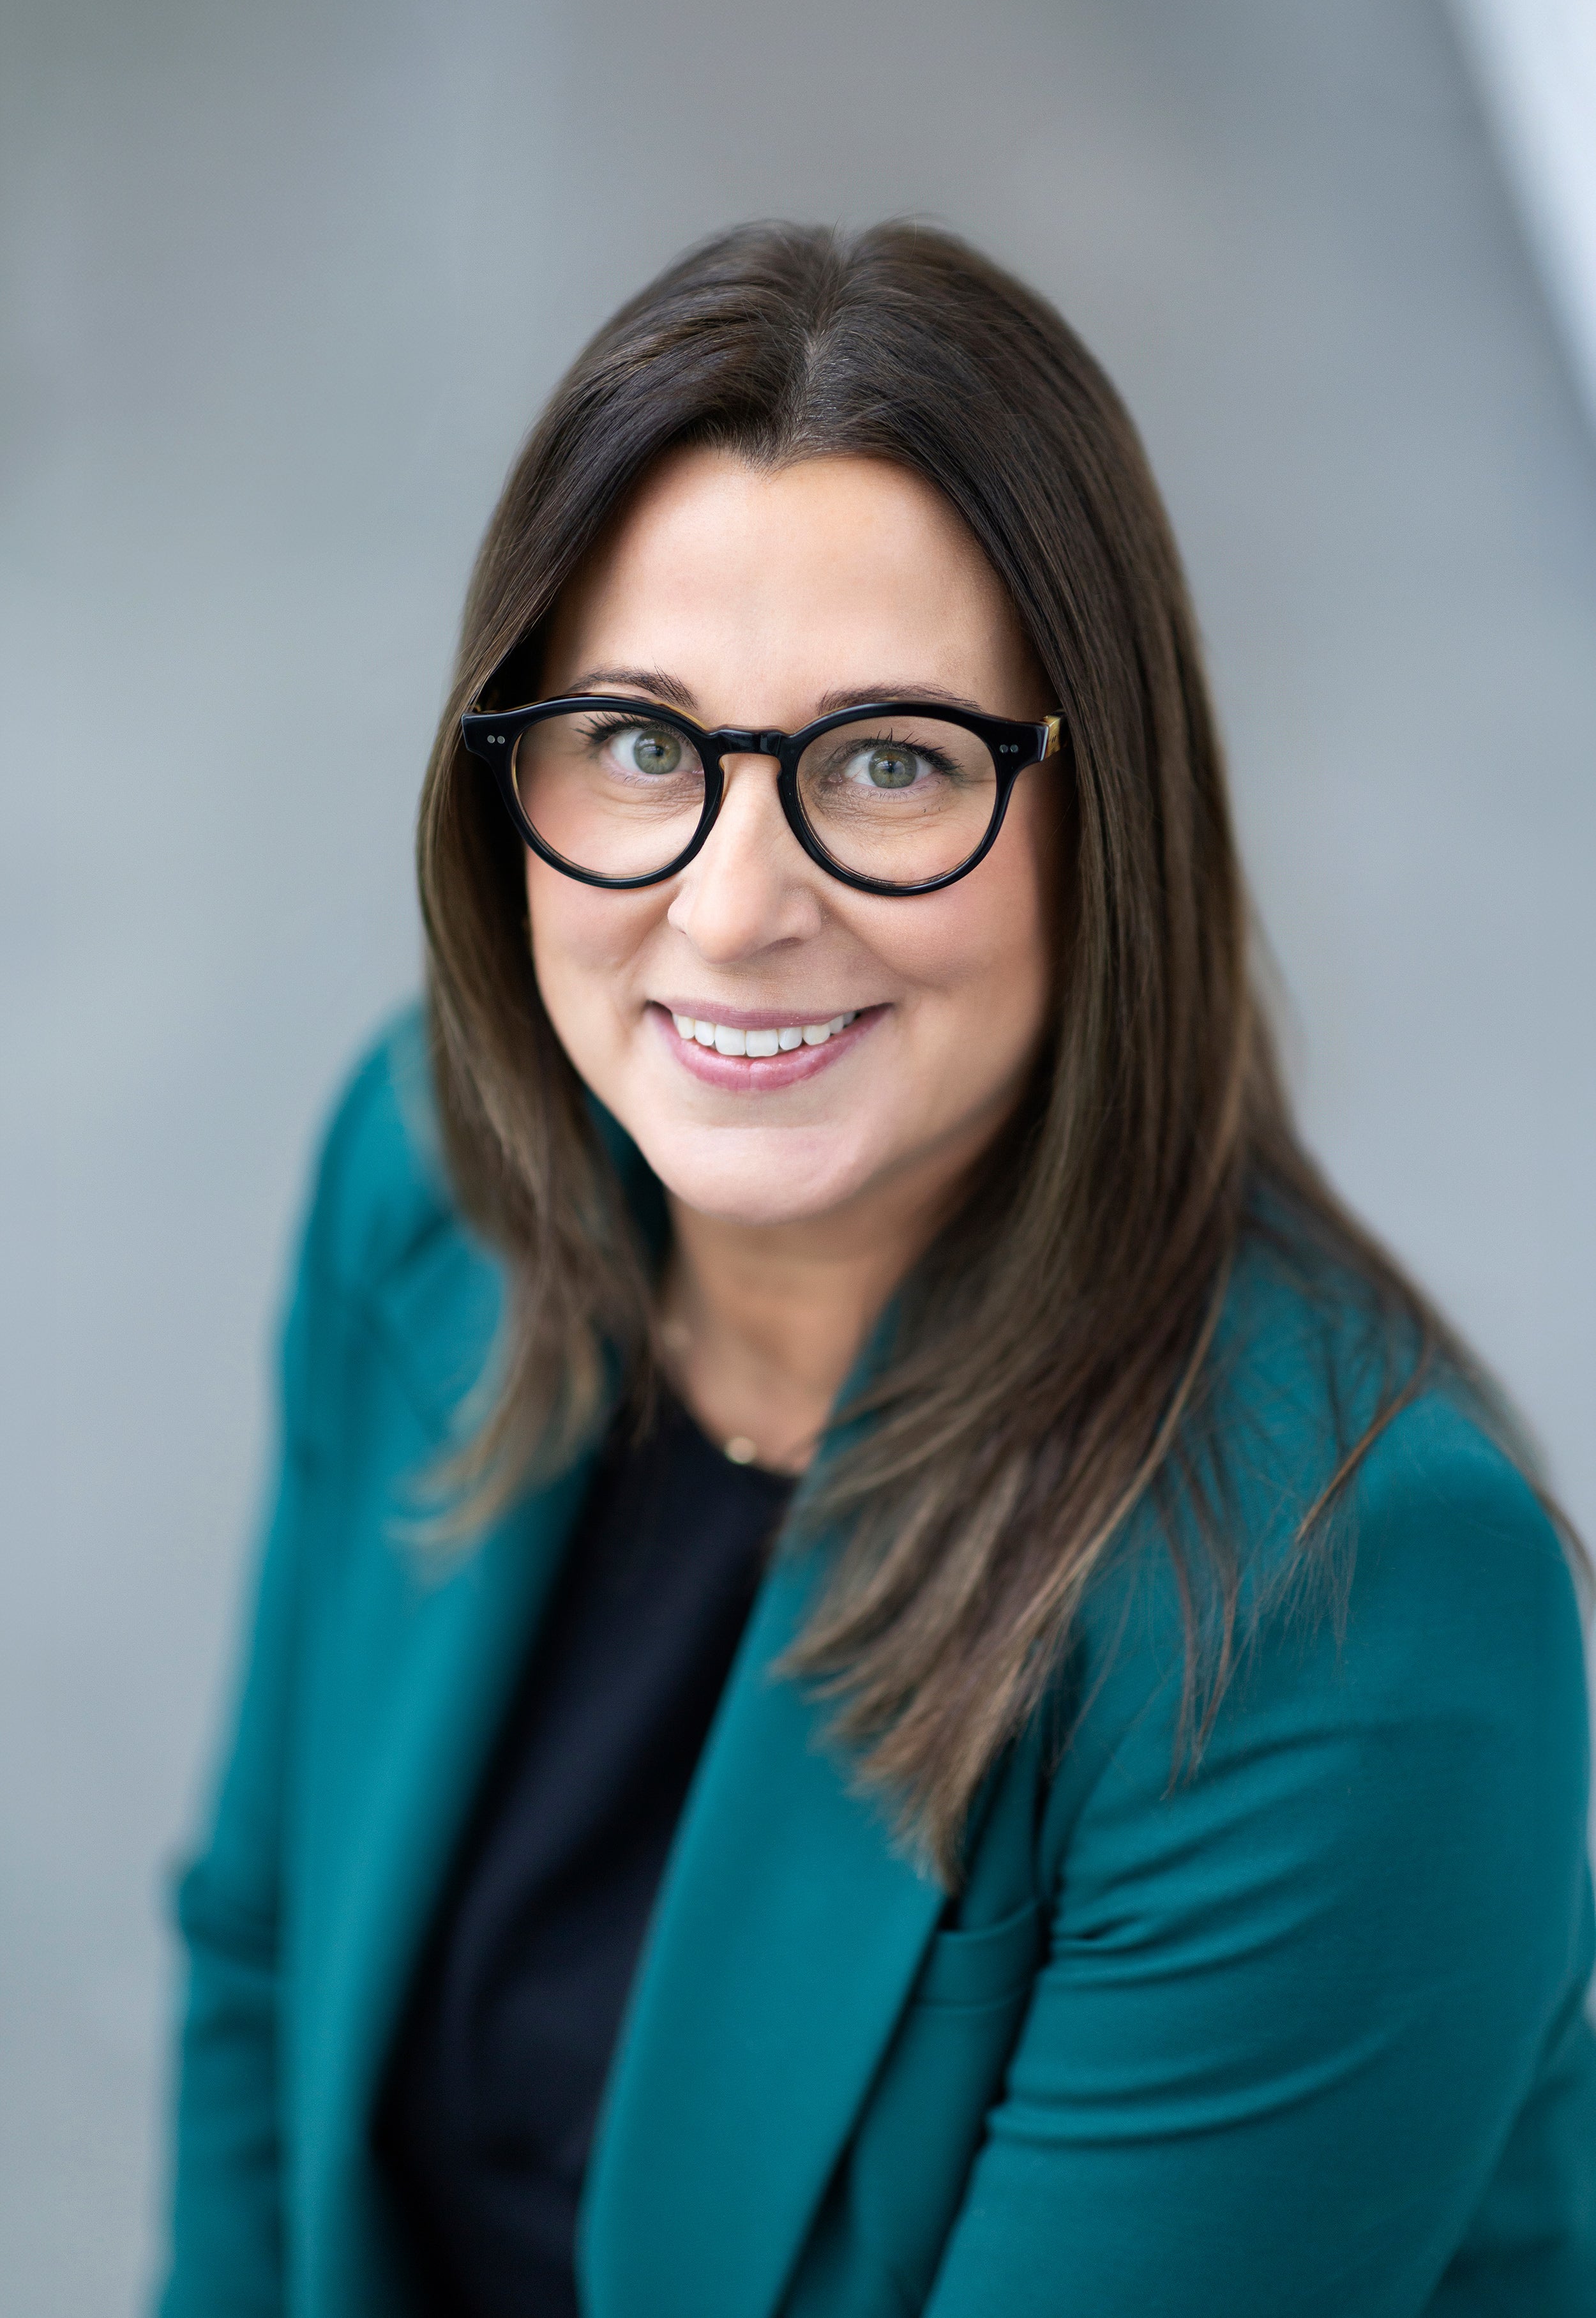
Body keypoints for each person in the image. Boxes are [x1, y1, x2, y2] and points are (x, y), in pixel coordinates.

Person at [160, 222, 1595, 2318]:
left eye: (891, 764)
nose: (735, 910)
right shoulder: (427, 1190)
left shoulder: (1346, 1612)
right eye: (640, 745)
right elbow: (260, 1995)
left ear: (1104, 829)